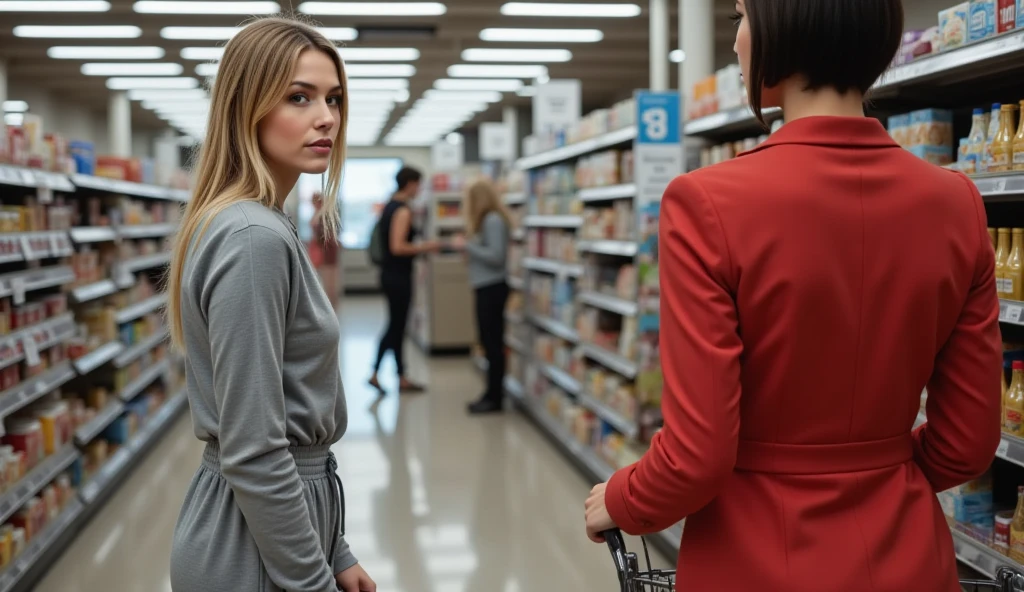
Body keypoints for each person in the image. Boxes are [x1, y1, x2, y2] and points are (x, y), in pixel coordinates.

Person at [584, 1, 1001, 591]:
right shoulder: (956, 204)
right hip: (909, 554)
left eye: (740, 19)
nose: (735, 45)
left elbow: (697, 456)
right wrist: (876, 469)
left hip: (753, 553)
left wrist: (622, 498)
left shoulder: (706, 202)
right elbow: (968, 443)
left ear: (784, 30)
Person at [165, 18, 375, 592]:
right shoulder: (253, 238)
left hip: (278, 531)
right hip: (250, 551)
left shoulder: (260, 223)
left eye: (333, 98)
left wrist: (337, 550)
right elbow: (255, 448)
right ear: (246, 107)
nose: (326, 116)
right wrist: (313, 582)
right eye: (298, 97)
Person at [368, 166, 439, 394]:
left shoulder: (390, 205)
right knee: (395, 326)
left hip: (390, 274)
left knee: (397, 326)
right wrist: (426, 246)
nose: (419, 189)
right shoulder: (402, 210)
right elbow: (397, 246)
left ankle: (399, 376)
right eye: (418, 184)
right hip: (398, 276)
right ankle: (376, 372)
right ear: (409, 183)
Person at [452, 179, 511, 415]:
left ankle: (494, 397)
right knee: (488, 342)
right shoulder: (488, 221)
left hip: (492, 287)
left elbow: (497, 256)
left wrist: (467, 246)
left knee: (493, 344)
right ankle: (491, 393)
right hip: (485, 286)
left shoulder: (493, 220)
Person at [310, 192, 341, 308]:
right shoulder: (319, 214)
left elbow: (326, 237)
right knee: (324, 281)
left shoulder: (324, 215)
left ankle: (331, 307)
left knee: (330, 284)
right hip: (320, 251)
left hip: (326, 252)